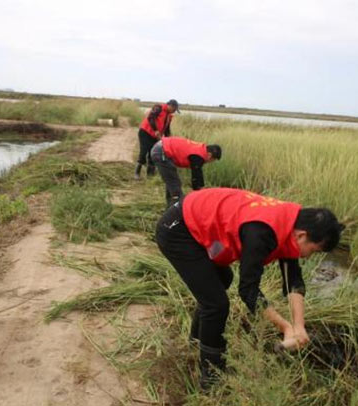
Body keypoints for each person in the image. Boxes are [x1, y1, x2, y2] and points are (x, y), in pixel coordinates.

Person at [155, 188, 344, 390]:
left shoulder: (290, 223)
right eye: (313, 250)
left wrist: (299, 326)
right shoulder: (262, 232)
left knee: (221, 281)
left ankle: (196, 341)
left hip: (196, 219)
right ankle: (211, 378)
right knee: (217, 304)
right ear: (302, 235)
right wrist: (285, 327)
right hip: (178, 230)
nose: (308, 256)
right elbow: (248, 291)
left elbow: (293, 280)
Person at [150, 136, 222, 207]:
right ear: (209, 155)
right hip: (162, 151)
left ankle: (171, 206)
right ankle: (177, 208)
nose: (210, 162)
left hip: (161, 147)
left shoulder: (200, 149)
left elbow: (198, 174)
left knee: (171, 181)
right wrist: (200, 192)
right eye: (213, 160)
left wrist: (200, 188)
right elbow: (196, 177)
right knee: (175, 184)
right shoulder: (198, 156)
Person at [135, 99, 179, 179]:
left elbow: (167, 129)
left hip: (155, 137)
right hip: (145, 133)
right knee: (143, 152)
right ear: (170, 106)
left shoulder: (169, 116)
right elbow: (150, 118)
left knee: (153, 154)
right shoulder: (159, 108)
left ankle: (150, 175)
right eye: (174, 109)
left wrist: (169, 139)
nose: (174, 111)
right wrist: (155, 130)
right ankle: (137, 173)